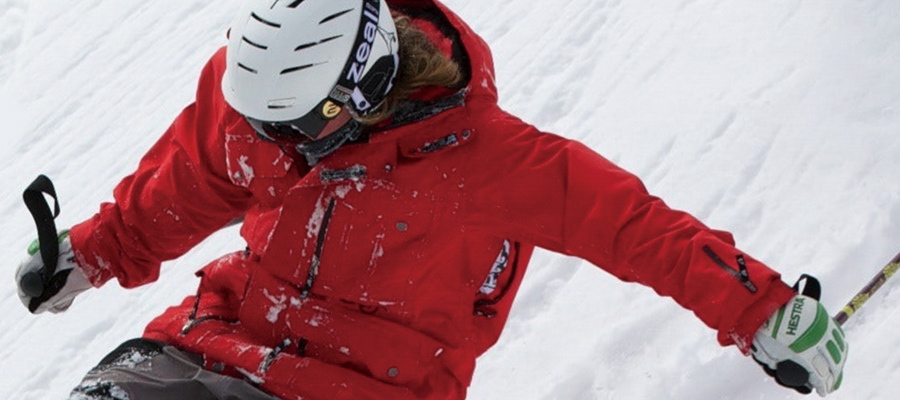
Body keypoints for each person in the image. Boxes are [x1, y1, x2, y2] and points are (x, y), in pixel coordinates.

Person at [15, 1, 847, 399]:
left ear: (367, 80)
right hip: (209, 345)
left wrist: (763, 310)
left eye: (297, 123)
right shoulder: (268, 104)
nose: (274, 141)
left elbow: (637, 231)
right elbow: (191, 179)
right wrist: (93, 252)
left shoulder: (490, 164)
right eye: (262, 119)